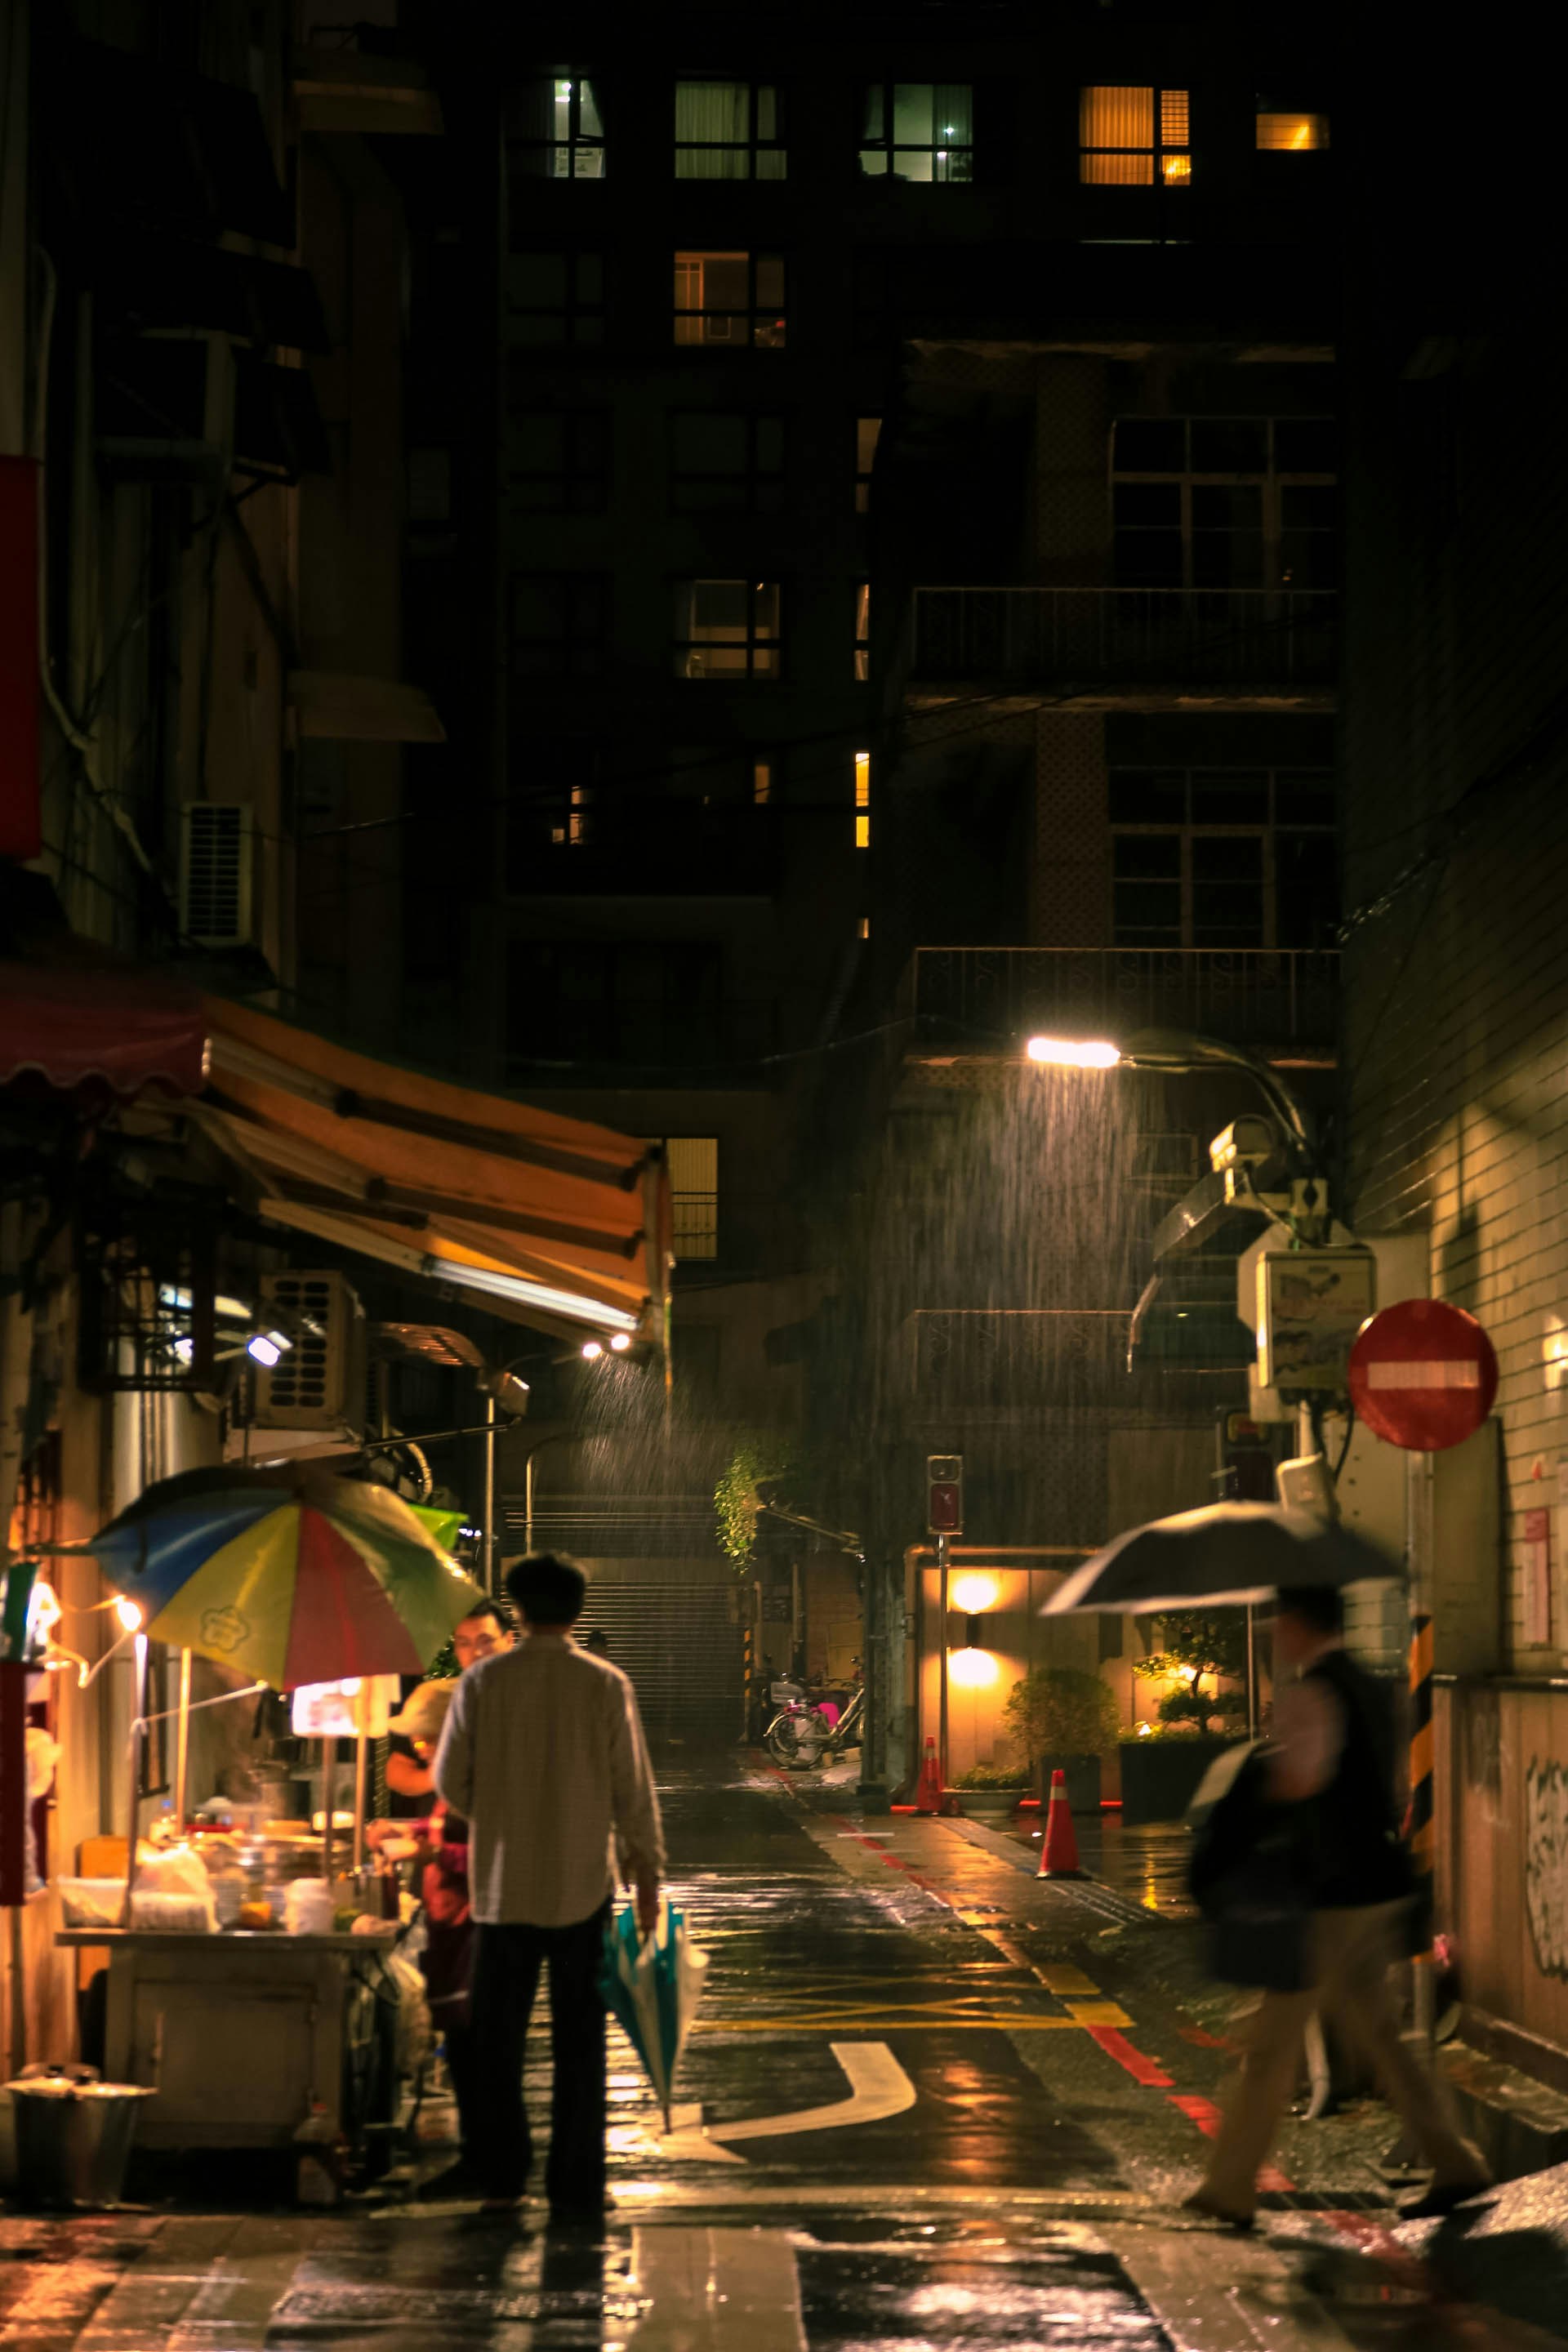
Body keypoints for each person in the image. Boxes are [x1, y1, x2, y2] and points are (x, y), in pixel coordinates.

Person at [1184, 1585, 1492, 2231]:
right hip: (1378, 1886)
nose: (1274, 1635)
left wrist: (1256, 1783)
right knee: (1379, 2032)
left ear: (1299, 1625)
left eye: (1278, 1623)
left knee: (1271, 2046)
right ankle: (1454, 2160)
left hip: (1329, 1897)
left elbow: (1299, 1784)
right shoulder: (1374, 1687)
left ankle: (1230, 2187)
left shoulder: (1313, 1691)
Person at [434, 1551, 663, 2221]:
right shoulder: (603, 1683)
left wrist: (495, 1816)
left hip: (502, 1892)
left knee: (496, 2041)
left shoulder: (483, 1683)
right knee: (580, 2045)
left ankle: (503, 2177)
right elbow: (633, 1788)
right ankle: (576, 2186)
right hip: (581, 1891)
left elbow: (451, 1780)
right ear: (577, 1611)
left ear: (518, 1610)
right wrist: (645, 1876)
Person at [386, 1601, 514, 1815]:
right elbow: (396, 1773)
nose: (476, 1653)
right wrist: (439, 1776)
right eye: (464, 1643)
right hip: (440, 1832)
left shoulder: (529, 1701)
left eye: (486, 1641)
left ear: (509, 1640)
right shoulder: (437, 1699)